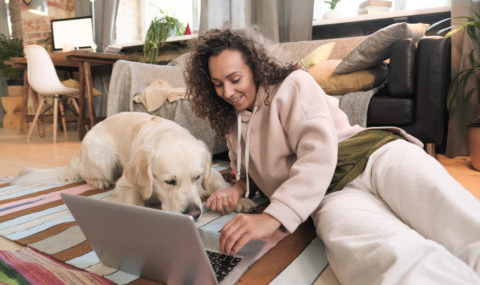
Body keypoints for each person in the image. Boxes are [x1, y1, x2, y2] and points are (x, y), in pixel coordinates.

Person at [186, 27, 480, 284]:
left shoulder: (292, 84)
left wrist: (273, 216)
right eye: (217, 84)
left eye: (235, 78)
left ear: (254, 66)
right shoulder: (232, 124)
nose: (227, 91)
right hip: (327, 195)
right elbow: (251, 173)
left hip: (374, 154)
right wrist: (237, 190)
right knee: (386, 254)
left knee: (457, 219)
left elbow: (318, 154)